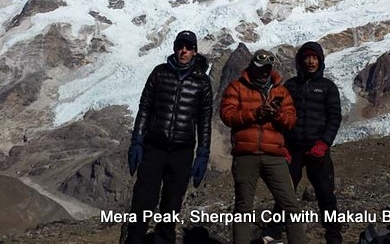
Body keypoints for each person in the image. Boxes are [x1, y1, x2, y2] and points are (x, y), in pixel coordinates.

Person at [125, 30, 213, 244]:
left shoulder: (202, 82)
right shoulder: (159, 73)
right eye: (180, 46)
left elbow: (204, 120)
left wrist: (203, 153)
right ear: (174, 48)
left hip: (182, 152)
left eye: (188, 47)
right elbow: (144, 109)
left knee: (171, 205)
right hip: (154, 148)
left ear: (194, 51)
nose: (184, 51)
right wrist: (137, 141)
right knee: (143, 202)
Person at [220, 49, 305, 244]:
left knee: (291, 205)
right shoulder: (237, 87)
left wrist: (276, 114)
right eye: (260, 68)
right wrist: (255, 113)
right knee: (243, 208)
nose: (264, 72)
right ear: (252, 66)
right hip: (245, 154)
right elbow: (227, 115)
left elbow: (291, 121)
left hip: (274, 155)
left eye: (267, 68)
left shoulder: (280, 91)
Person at [268, 41, 343, 244]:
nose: (311, 61)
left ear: (320, 61)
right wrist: (281, 145)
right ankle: (273, 233)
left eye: (315, 57)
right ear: (301, 61)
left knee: (326, 195)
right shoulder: (290, 86)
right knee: (284, 192)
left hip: (317, 149)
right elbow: (277, 115)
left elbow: (334, 117)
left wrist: (324, 144)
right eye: (307, 57)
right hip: (293, 149)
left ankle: (334, 237)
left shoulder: (328, 87)